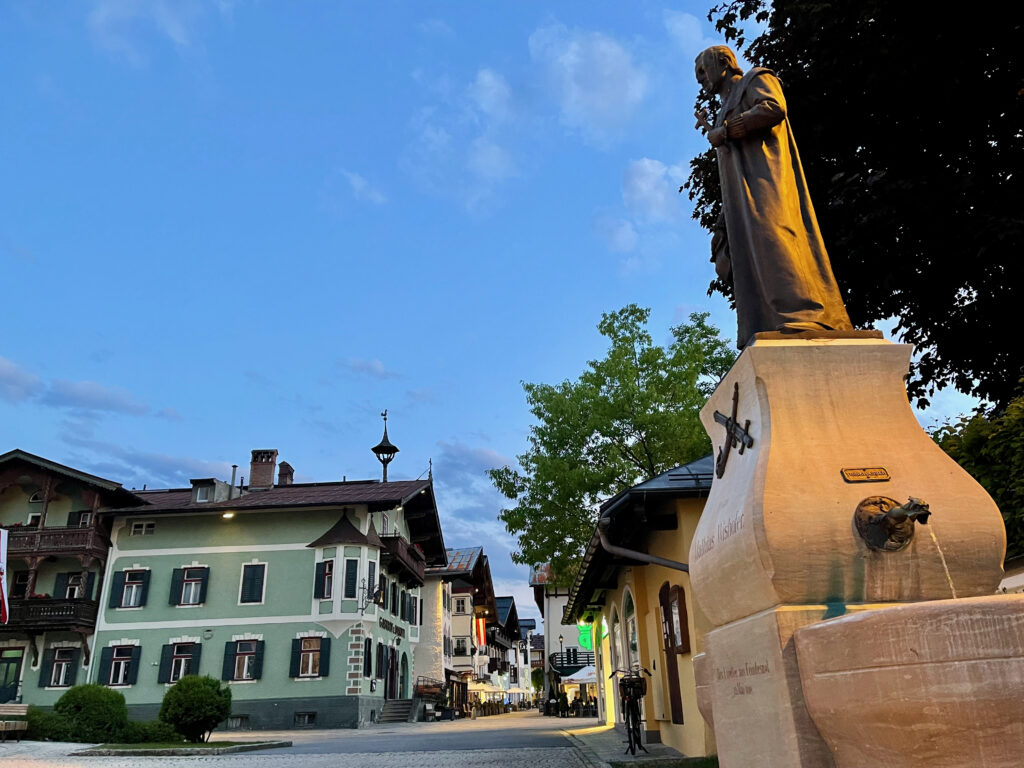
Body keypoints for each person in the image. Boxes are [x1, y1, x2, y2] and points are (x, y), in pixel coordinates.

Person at [694, 45, 853, 348]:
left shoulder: (755, 79)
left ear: (724, 63)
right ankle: (769, 320)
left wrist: (726, 131)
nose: (701, 79)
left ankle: (802, 314)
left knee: (775, 238)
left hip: (766, 182)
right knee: (748, 256)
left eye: (703, 70)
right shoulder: (723, 105)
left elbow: (773, 107)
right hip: (740, 196)